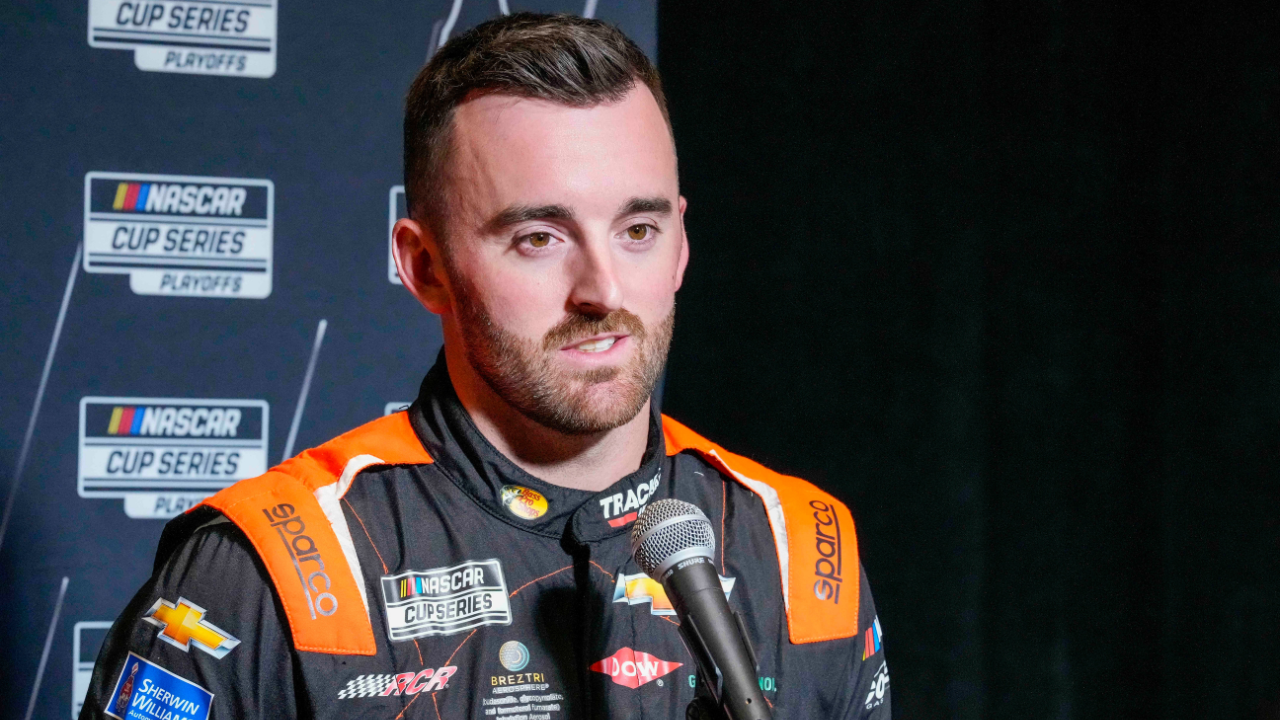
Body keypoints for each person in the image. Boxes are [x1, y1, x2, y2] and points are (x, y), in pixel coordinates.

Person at [80, 13, 891, 720]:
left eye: (636, 230)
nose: (602, 291)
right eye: (539, 237)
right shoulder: (269, 569)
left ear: (680, 243)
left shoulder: (803, 549)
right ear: (424, 265)